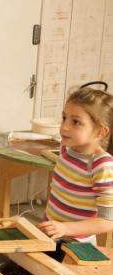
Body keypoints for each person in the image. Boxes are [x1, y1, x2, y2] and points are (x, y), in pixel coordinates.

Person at [39, 87, 113, 244]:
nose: (64, 126)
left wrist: (65, 228)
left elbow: (108, 221)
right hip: (52, 234)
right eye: (64, 117)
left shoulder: (101, 165)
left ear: (100, 132)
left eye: (76, 122)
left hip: (76, 243)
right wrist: (54, 226)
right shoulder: (66, 148)